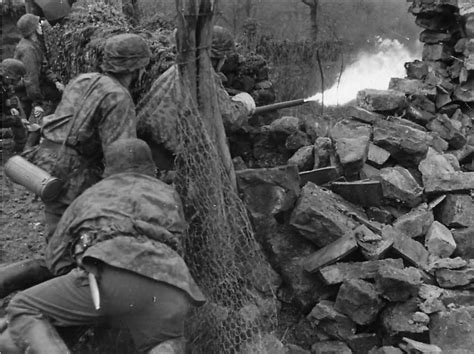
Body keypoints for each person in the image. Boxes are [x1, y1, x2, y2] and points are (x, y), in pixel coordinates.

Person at [0, 138, 206, 354]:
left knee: (24, 307)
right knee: (165, 342)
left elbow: (56, 259)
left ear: (107, 169)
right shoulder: (169, 194)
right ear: (152, 168)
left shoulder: (90, 195)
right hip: (171, 285)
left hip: (107, 277)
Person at [23, 32, 151, 240]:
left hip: (46, 163)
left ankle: (54, 259)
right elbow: (119, 156)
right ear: (136, 69)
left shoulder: (82, 80)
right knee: (78, 238)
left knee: (57, 231)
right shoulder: (118, 97)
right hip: (74, 174)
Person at [137, 25, 256, 173]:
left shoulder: (175, 69)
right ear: (217, 58)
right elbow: (229, 118)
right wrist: (244, 105)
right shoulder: (203, 77)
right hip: (170, 158)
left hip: (149, 146)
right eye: (223, 57)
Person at [14, 13, 65, 149]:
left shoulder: (34, 44)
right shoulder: (28, 50)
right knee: (21, 121)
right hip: (25, 89)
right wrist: (37, 103)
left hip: (32, 86)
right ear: (32, 29)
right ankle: (27, 147)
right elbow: (30, 79)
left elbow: (43, 67)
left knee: (22, 122)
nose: (40, 25)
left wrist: (55, 81)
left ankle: (36, 133)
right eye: (37, 23)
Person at [0, 59, 28, 152]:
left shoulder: (5, 85)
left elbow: (11, 97)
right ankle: (18, 147)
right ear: (7, 76)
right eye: (15, 79)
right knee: (16, 121)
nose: (16, 82)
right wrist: (16, 120)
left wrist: (12, 108)